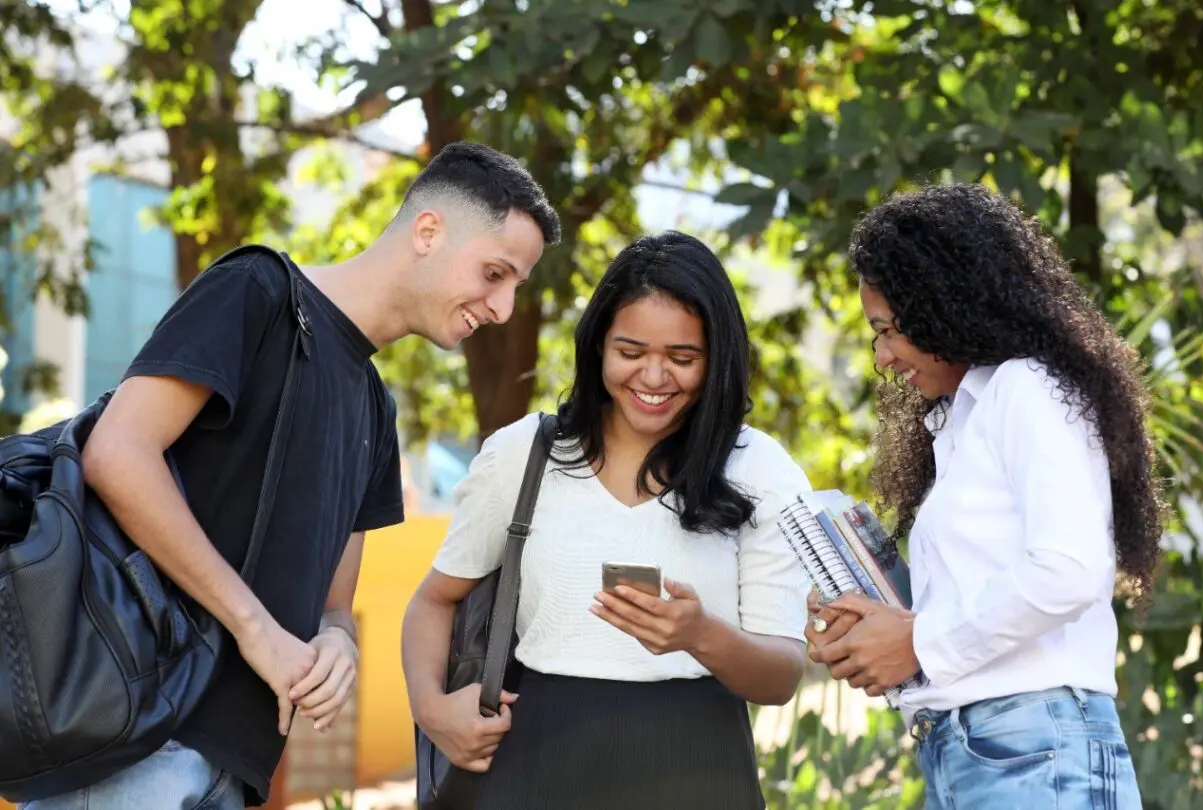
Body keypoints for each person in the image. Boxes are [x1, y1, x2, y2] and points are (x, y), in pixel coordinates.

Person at [23, 141, 561, 810]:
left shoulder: (373, 406)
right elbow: (118, 451)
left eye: (514, 286)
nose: (503, 308)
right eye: (494, 273)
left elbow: (335, 603)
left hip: (233, 762)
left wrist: (337, 643)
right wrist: (257, 631)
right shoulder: (258, 291)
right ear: (428, 231)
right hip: (131, 742)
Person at [402, 231, 811, 810]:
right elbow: (434, 600)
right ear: (598, 347)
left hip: (697, 769)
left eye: (682, 358)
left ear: (718, 360)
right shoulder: (525, 454)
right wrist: (433, 709)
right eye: (631, 351)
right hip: (532, 764)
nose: (652, 377)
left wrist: (699, 635)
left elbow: (782, 677)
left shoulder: (760, 467)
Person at [806, 184, 1158, 809]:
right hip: (977, 751)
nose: (883, 356)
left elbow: (1069, 570)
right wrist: (871, 619)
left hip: (1034, 750)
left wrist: (917, 642)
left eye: (889, 330)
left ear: (945, 307)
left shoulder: (1028, 389)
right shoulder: (962, 418)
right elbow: (978, 594)